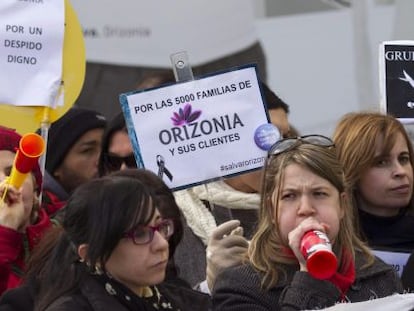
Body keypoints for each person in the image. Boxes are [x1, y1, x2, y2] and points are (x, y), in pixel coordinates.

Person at [212, 135, 403, 310]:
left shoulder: (381, 277)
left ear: (342, 205)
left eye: (319, 194)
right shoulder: (238, 288)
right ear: (272, 210)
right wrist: (311, 276)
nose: (305, 208)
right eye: (289, 196)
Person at [32, 174, 210, 310]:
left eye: (160, 226)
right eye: (139, 234)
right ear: (92, 253)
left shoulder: (174, 299)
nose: (162, 244)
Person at [332, 112, 414, 250]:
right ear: (351, 170)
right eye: (381, 162)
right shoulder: (329, 242)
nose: (401, 171)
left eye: (403, 159)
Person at [0, 126, 51, 296]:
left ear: (37, 189)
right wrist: (5, 233)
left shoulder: (68, 241)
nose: (5, 184)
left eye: (13, 172)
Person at [40, 107, 107, 215]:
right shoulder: (32, 215)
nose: (102, 160)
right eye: (87, 150)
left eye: (106, 150)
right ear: (56, 166)